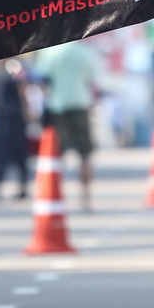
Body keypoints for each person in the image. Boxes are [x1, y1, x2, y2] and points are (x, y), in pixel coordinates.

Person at [34, 40, 102, 211]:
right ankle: (86, 199)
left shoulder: (49, 52)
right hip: (80, 106)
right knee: (85, 155)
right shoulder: (86, 52)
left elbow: (43, 81)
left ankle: (57, 197)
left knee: (57, 156)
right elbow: (92, 82)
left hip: (57, 107)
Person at [0, 60, 30, 201]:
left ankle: (22, 188)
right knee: (2, 157)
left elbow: (22, 90)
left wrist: (26, 113)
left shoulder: (14, 68)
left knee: (18, 156)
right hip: (4, 120)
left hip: (15, 121)